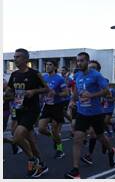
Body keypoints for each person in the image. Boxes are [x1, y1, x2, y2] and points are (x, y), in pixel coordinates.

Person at [64, 52, 115, 179]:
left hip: (96, 113)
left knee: (100, 136)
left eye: (82, 60)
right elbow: (76, 91)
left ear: (87, 62)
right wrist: (72, 101)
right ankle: (76, 171)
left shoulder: (96, 75)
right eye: (77, 61)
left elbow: (106, 92)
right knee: (77, 139)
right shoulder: (77, 75)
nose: (79, 63)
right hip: (82, 112)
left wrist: (91, 95)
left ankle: (111, 150)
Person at [5, 48, 49, 177]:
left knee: (17, 137)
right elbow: (10, 89)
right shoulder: (14, 74)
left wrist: (34, 91)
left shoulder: (34, 74)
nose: (15, 59)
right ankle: (42, 165)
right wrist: (8, 92)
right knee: (32, 142)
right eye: (14, 56)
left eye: (18, 57)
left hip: (31, 110)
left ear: (25, 59)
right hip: (18, 109)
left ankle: (32, 160)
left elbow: (47, 89)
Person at [38, 60, 68, 159]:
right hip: (47, 106)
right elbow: (42, 90)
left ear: (55, 67)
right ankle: (55, 138)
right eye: (46, 64)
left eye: (50, 65)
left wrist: (56, 93)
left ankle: (60, 149)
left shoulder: (60, 79)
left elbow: (66, 93)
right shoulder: (44, 78)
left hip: (57, 106)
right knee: (41, 129)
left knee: (55, 129)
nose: (47, 66)